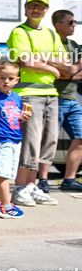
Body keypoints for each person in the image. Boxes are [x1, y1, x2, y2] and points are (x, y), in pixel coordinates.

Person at [6, 0, 75, 206]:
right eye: (32, 5)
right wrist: (51, 67)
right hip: (28, 94)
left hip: (50, 94)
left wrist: (42, 60)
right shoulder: (19, 32)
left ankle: (31, 186)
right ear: (25, 8)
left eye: (40, 6)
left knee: (49, 141)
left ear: (46, 10)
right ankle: (19, 187)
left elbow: (66, 63)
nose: (36, 9)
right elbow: (26, 61)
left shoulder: (51, 34)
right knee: (31, 141)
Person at [0, 62, 31, 218]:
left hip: (16, 139)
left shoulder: (17, 98)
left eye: (10, 78)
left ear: (17, 80)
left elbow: (14, 117)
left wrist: (23, 117)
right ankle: (7, 206)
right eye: (2, 78)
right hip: (2, 140)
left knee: (6, 174)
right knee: (3, 174)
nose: (6, 81)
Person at [51, 10, 82, 192]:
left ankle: (69, 180)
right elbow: (58, 71)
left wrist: (69, 72)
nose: (74, 25)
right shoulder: (51, 43)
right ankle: (41, 180)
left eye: (74, 22)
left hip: (72, 99)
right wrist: (71, 70)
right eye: (70, 22)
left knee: (80, 137)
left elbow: (70, 71)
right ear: (58, 25)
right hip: (55, 99)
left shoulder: (74, 45)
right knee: (49, 142)